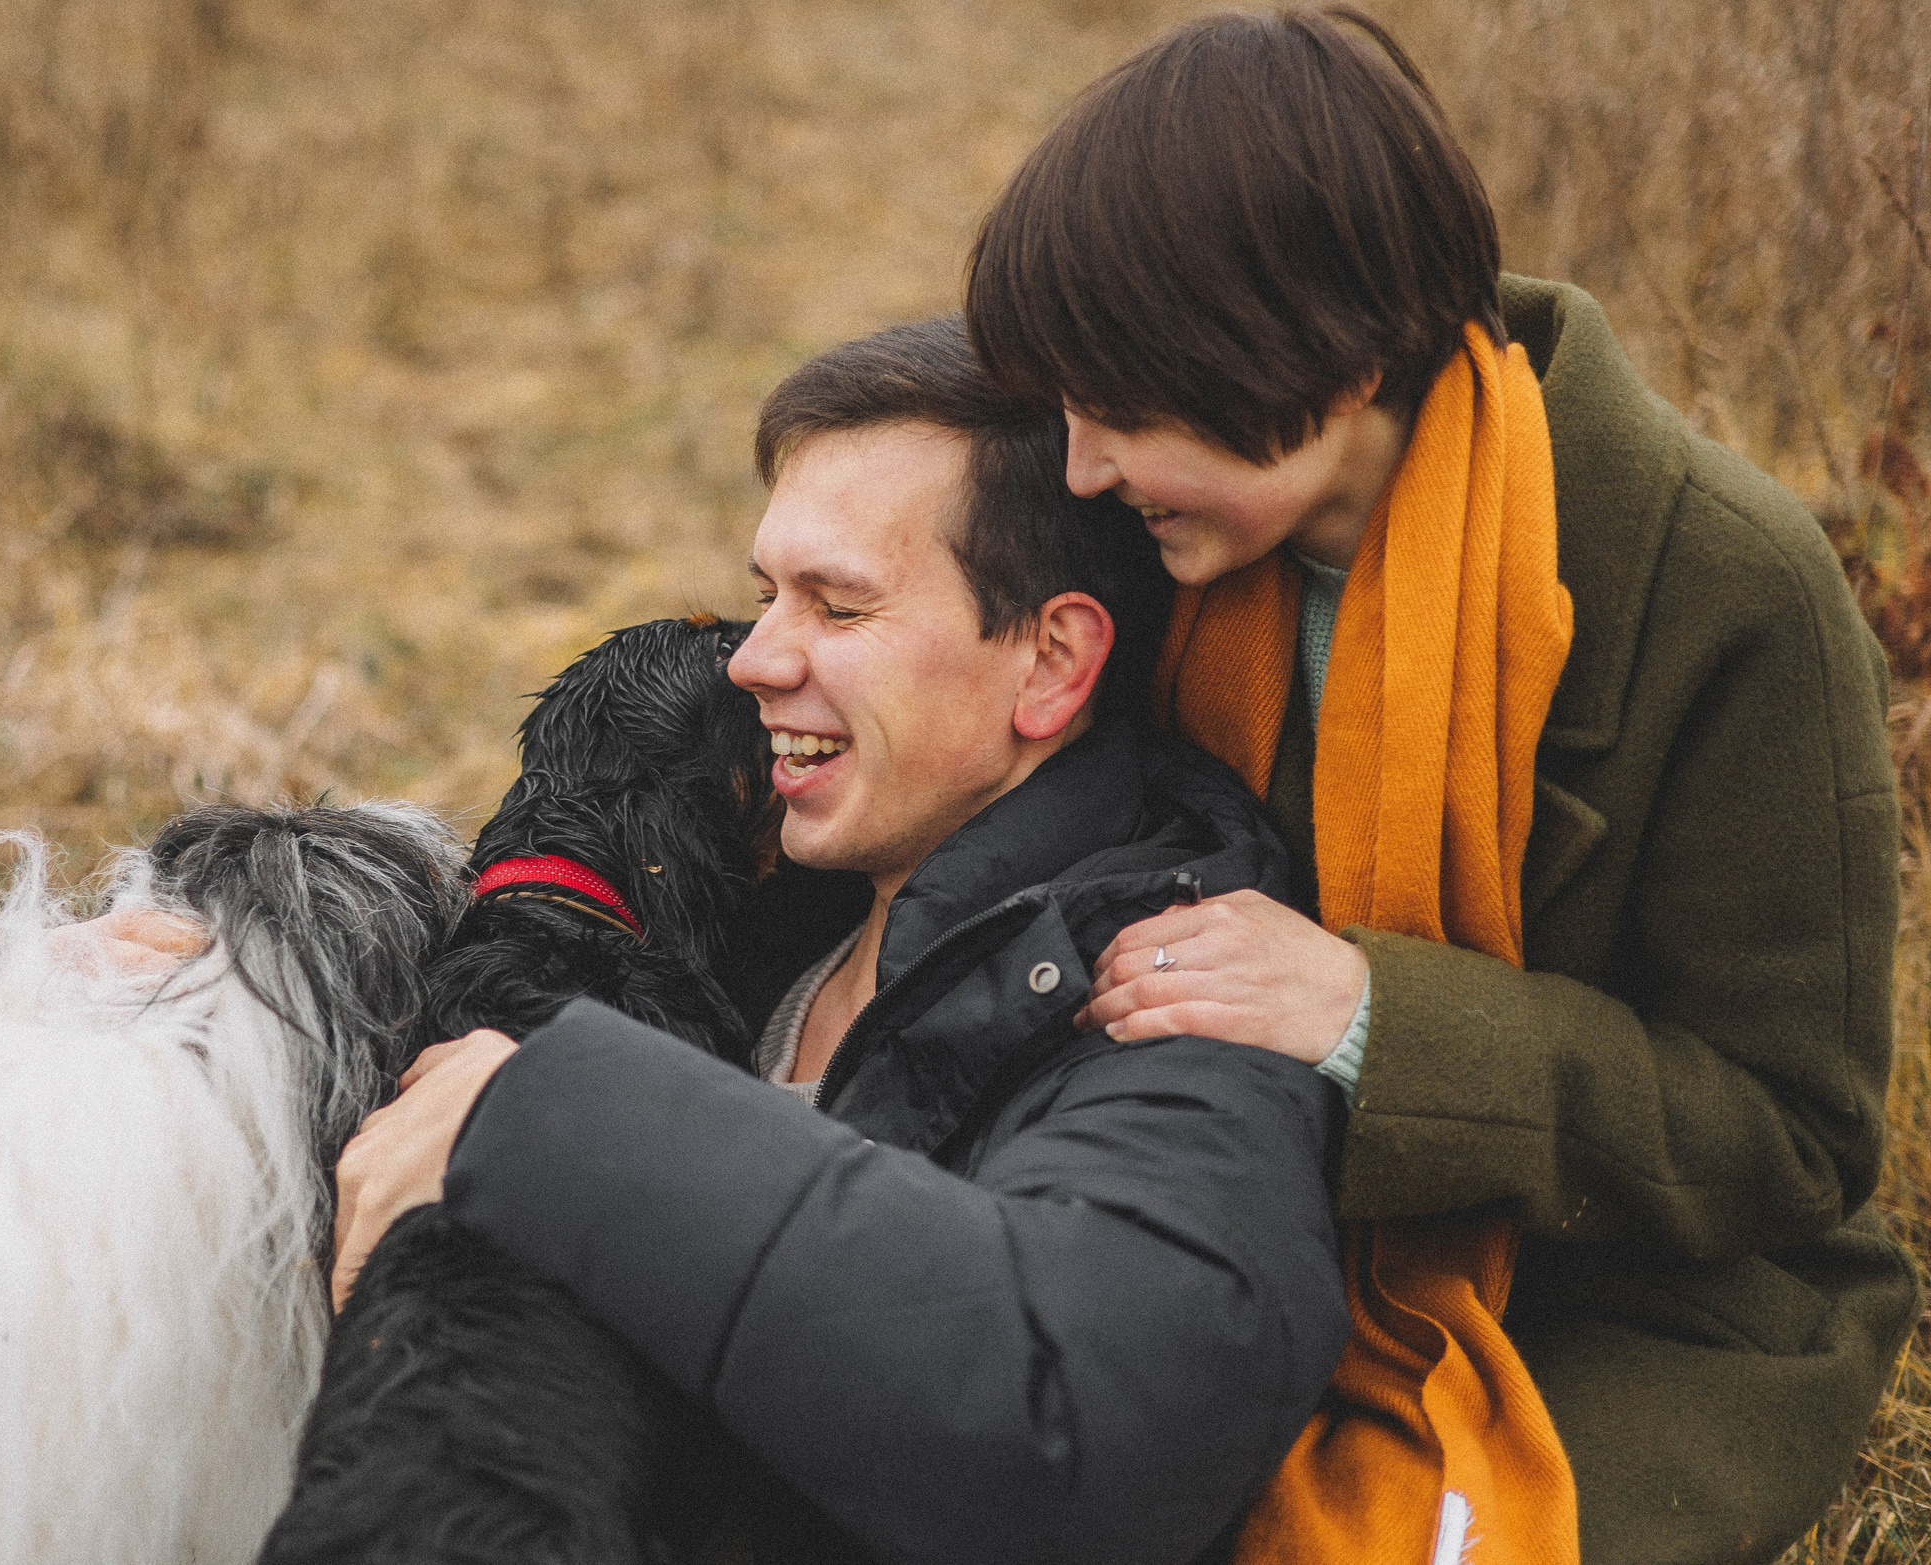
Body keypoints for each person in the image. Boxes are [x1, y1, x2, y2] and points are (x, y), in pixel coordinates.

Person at [958, 9, 1916, 1565]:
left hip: (1620, 1297)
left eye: (1123, 411)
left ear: (1328, 359)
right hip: (1210, 1199)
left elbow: (1789, 1139)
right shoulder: (1152, 541)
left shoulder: (1731, 593)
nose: (1074, 471)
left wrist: (1369, 1021)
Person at [321, 316, 1351, 1564]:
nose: (753, 660)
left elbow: (1078, 1421)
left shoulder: (1172, 987)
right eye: (766, 596)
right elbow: (529, 934)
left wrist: (554, 1121)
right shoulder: (776, 897)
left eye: (840, 606)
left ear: (1051, 660)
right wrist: (252, 942)